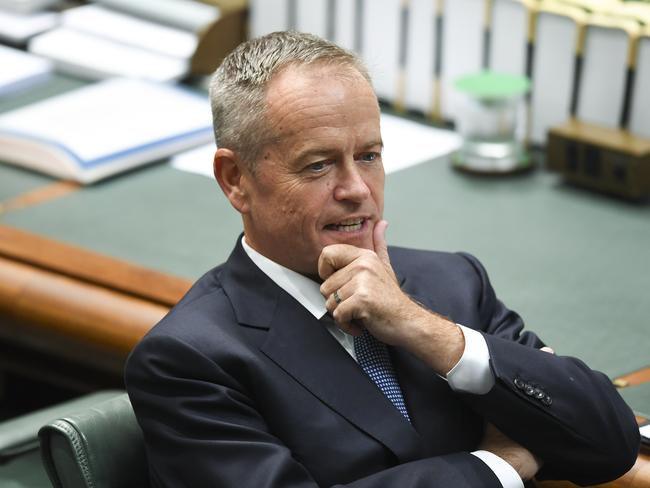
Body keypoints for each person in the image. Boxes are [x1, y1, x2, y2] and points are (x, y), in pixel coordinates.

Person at [125, 31, 639, 488]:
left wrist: (427, 330)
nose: (355, 189)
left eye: (369, 155)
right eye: (319, 165)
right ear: (236, 180)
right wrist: (501, 465)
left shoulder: (451, 283)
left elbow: (609, 445)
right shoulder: (189, 360)